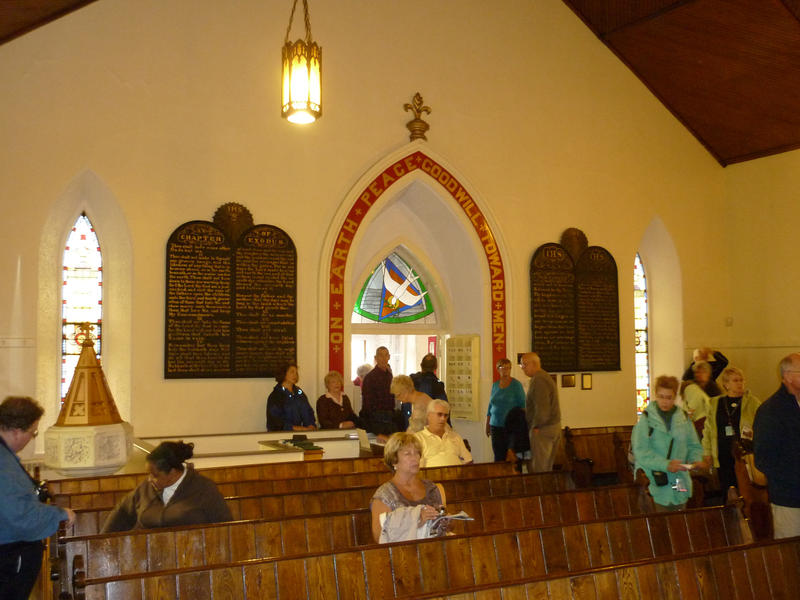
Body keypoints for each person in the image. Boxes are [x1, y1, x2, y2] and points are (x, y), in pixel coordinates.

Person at [0, 396, 75, 600]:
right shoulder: (3, 465)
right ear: (16, 431)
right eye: (33, 433)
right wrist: (60, 514)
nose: (32, 438)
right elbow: (18, 515)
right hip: (8, 559)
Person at [101, 441, 232, 532]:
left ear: (173, 473)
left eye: (155, 475)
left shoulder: (204, 489)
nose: (149, 479)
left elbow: (226, 526)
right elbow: (121, 512)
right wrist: (102, 543)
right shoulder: (144, 489)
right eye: (149, 474)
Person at [632, 375, 706, 511]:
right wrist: (666, 464)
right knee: (659, 523)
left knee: (680, 515)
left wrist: (696, 460)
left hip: (679, 479)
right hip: (655, 480)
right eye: (661, 396)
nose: (664, 402)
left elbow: (693, 444)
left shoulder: (683, 418)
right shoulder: (646, 420)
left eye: (669, 397)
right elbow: (641, 452)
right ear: (655, 395)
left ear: (675, 396)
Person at [753, 352, 800, 539]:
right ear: (787, 376)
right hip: (789, 498)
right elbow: (764, 460)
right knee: (792, 555)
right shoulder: (770, 411)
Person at [370, 432, 447, 543]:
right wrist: (416, 520)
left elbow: (442, 529)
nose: (415, 458)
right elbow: (380, 537)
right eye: (408, 454)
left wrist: (446, 523)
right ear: (394, 460)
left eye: (417, 453)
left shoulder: (432, 488)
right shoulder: (384, 495)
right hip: (404, 555)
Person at [702, 366, 762, 495]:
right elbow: (708, 430)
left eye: (741, 380)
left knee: (746, 490)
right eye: (735, 380)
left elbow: (761, 427)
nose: (740, 383)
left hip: (745, 454)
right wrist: (707, 452)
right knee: (728, 490)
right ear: (726, 384)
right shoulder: (714, 403)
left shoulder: (752, 402)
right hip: (722, 452)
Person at [520, 352, 561, 472]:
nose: (522, 368)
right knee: (546, 467)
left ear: (534, 364)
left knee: (539, 469)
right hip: (551, 427)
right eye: (521, 365)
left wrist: (536, 426)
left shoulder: (539, 380)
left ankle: (541, 490)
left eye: (524, 364)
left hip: (543, 430)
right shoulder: (543, 376)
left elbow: (542, 408)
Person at [485, 358, 526, 462]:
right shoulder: (495, 385)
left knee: (512, 457)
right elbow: (490, 406)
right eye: (502, 368)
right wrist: (487, 424)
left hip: (512, 428)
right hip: (495, 427)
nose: (505, 371)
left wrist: (523, 426)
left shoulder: (516, 385)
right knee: (498, 457)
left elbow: (523, 406)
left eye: (508, 368)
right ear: (498, 370)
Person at [415, 399, 472, 467]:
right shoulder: (418, 438)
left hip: (457, 476)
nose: (443, 418)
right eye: (439, 414)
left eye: (446, 415)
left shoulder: (455, 436)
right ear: (428, 415)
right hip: (431, 476)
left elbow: (468, 461)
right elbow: (415, 467)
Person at [266, 362, 316, 431]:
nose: (295, 375)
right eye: (292, 372)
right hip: (281, 435)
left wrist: (311, 425)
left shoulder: (299, 392)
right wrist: (294, 428)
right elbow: (275, 421)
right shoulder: (276, 395)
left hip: (300, 434)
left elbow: (308, 411)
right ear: (283, 374)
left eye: (296, 373)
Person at [360, 346, 397, 435]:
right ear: (376, 358)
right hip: (376, 418)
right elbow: (367, 402)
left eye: (386, 355)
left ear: (389, 357)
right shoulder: (370, 377)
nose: (383, 359)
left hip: (389, 415)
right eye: (380, 355)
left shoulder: (389, 375)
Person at [680, 361, 712, 438]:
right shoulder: (692, 387)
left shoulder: (712, 387)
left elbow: (691, 409)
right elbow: (690, 408)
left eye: (703, 372)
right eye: (697, 372)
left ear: (708, 374)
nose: (699, 375)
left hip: (705, 423)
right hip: (700, 424)